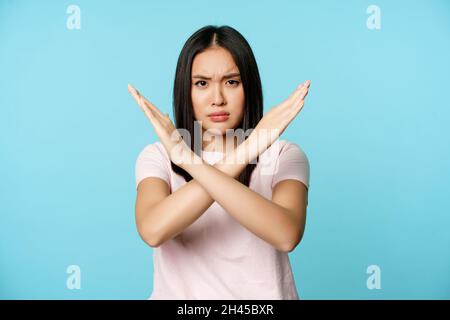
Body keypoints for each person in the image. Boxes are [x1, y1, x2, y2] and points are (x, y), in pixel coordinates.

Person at [129, 25, 311, 300]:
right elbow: (154, 230)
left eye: (231, 82)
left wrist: (191, 162)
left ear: (248, 87)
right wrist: (241, 152)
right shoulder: (158, 157)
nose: (218, 99)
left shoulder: (285, 156)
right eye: (202, 83)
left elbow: (286, 235)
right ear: (186, 90)